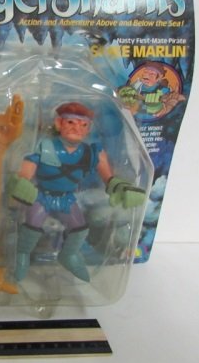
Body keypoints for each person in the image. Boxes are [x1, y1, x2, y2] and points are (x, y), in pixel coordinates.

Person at [10, 102, 145, 281]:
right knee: (32, 226)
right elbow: (25, 173)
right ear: (59, 123)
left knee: (79, 229)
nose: (77, 128)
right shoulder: (44, 147)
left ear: (89, 128)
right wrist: (20, 184)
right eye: (71, 122)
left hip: (67, 199)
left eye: (83, 125)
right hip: (42, 197)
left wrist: (122, 188)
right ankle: (22, 257)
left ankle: (68, 255)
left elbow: (109, 178)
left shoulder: (92, 152)